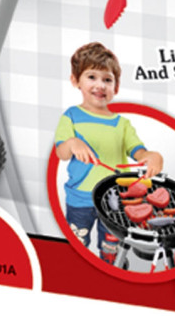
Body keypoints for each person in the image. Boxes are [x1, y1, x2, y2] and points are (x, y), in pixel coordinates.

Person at [54, 42, 163, 251]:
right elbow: (62, 153)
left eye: (107, 80)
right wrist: (72, 143)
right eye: (92, 77)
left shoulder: (122, 124)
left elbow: (138, 152)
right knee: (76, 247)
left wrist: (151, 155)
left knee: (111, 249)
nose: (100, 85)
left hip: (116, 200)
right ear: (75, 80)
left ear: (116, 87)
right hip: (79, 200)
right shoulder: (71, 116)